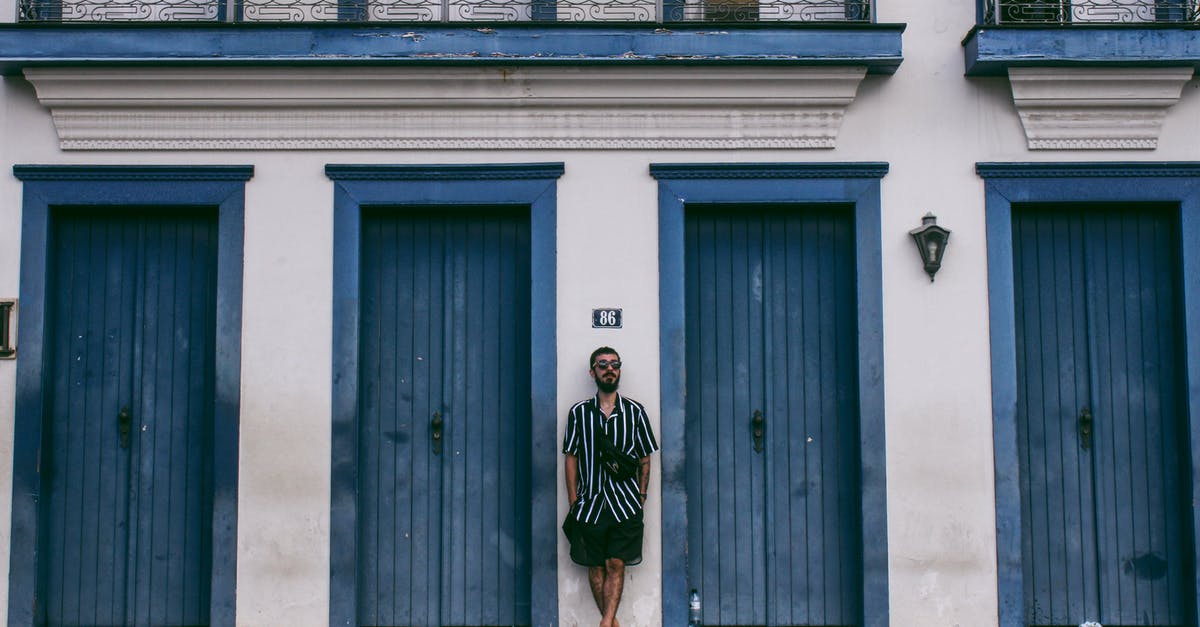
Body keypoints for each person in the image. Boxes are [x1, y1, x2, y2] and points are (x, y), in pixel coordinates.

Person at [562, 346, 659, 627]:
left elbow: (645, 458)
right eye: (602, 364)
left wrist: (640, 496)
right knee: (595, 565)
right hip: (590, 504)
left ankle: (605, 623)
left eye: (614, 364)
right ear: (593, 372)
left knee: (616, 563)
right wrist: (573, 500)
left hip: (624, 503)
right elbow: (571, 458)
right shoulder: (579, 413)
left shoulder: (635, 412)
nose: (609, 368)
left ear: (619, 370)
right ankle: (612, 623)